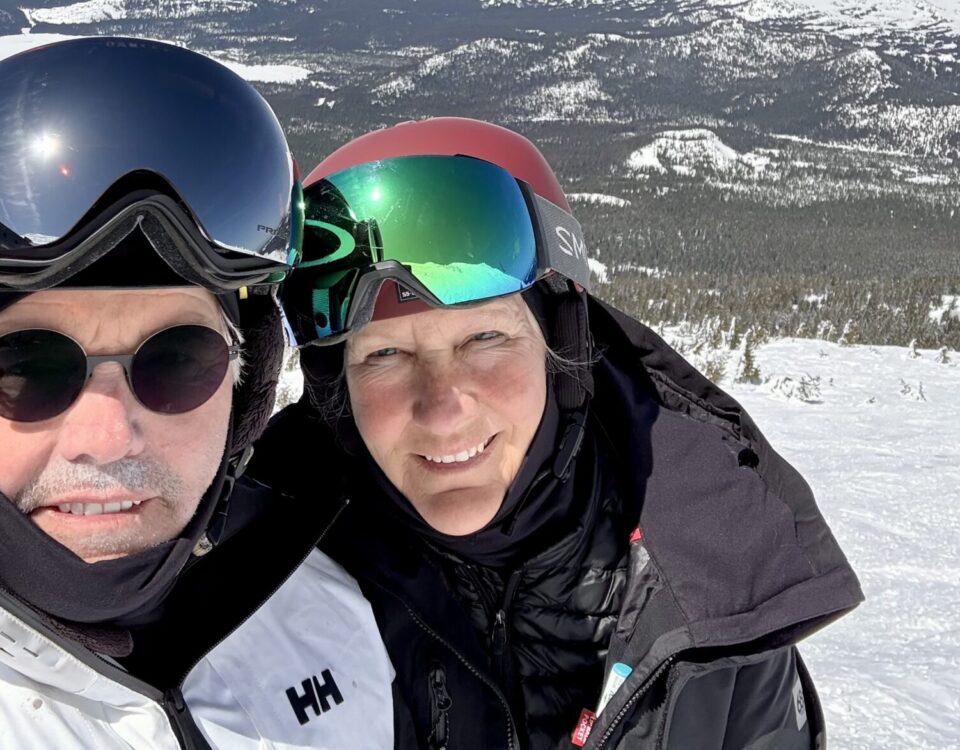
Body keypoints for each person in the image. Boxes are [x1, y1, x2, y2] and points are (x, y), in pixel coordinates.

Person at [249, 116, 864, 749]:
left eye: (484, 337)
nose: (441, 410)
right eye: (383, 356)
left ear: (561, 348)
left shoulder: (713, 582)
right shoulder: (255, 589)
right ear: (337, 393)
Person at [0, 37, 393, 748]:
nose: (108, 436)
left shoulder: (332, 620)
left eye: (177, 362)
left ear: (246, 394)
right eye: (29, 368)